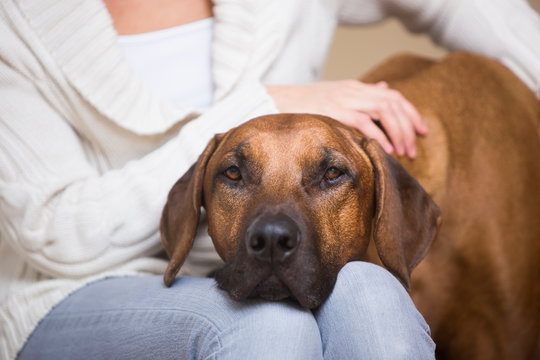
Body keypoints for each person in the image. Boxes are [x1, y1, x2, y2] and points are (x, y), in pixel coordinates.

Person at [1, 0, 539, 358]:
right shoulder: (18, 20)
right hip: (65, 289)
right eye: (236, 174)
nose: (272, 228)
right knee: (270, 329)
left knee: (374, 293)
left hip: (255, 262)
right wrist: (266, 103)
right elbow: (50, 229)